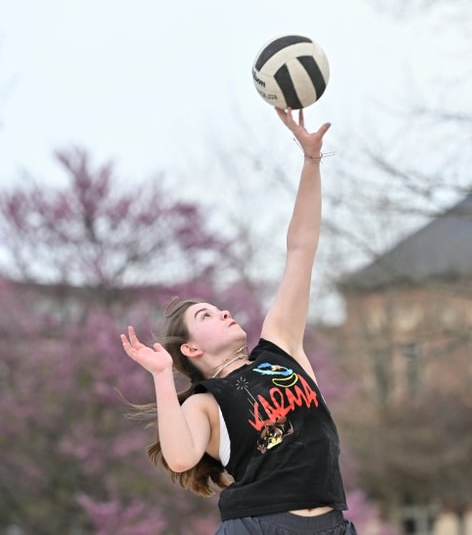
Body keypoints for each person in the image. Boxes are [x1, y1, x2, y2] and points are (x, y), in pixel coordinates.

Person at [121, 108, 355, 535]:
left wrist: (311, 160)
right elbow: (180, 459)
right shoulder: (205, 403)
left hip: (330, 526)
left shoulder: (280, 346)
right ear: (190, 349)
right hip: (258, 526)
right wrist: (159, 374)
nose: (225, 312)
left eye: (218, 307)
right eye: (206, 315)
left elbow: (301, 249)